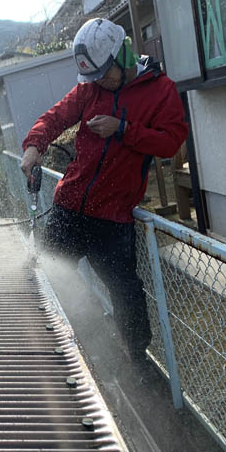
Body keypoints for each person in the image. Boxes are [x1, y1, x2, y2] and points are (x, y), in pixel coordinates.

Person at [20, 18, 188, 363]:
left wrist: (123, 129)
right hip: (69, 206)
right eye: (92, 78)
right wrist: (34, 145)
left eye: (103, 75)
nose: (98, 83)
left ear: (123, 54)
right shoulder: (91, 88)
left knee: (126, 294)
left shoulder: (160, 90)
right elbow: (54, 117)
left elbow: (171, 142)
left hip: (112, 218)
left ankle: (136, 362)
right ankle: (59, 350)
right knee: (47, 279)